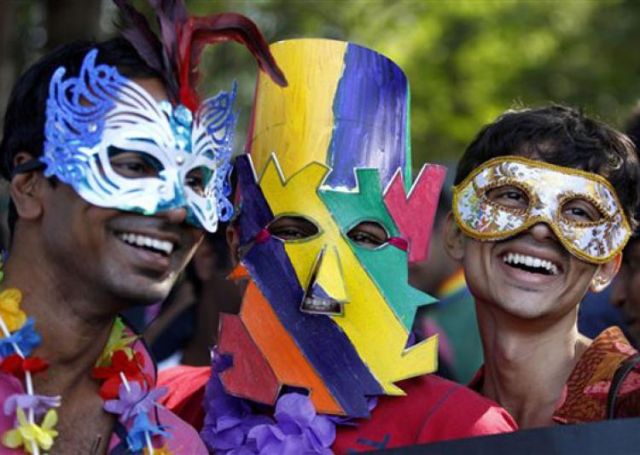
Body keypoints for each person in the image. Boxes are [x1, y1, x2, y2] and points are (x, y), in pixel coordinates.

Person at [159, 38, 517, 454]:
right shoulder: (171, 407)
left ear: (404, 254)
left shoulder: (458, 430)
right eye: (293, 233)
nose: (323, 286)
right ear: (239, 246)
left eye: (365, 239)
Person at [0, 0, 285, 452]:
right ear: (30, 185)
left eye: (195, 180)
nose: (175, 211)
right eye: (135, 166)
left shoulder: (174, 444)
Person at [444, 105, 640, 428]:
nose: (540, 228)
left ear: (606, 266)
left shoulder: (632, 407)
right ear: (455, 235)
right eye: (511, 196)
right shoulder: (437, 427)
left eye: (579, 212)